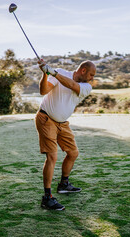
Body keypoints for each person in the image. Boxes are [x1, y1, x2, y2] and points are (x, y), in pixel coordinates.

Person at [35, 59, 96, 210]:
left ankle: (64, 184)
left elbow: (71, 85)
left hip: (62, 123)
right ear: (83, 71)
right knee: (52, 156)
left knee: (73, 153)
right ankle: (47, 198)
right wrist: (45, 74)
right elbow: (43, 91)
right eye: (91, 74)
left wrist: (52, 72)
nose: (92, 78)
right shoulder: (61, 73)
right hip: (46, 118)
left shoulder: (86, 86)